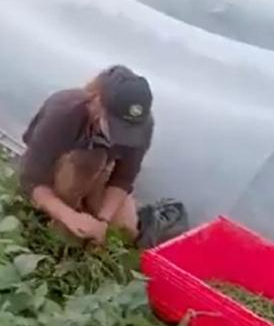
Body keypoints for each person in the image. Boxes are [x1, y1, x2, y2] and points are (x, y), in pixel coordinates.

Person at [19, 65, 185, 249]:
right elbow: (31, 181)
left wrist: (103, 220)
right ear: (98, 103)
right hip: (58, 166)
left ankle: (86, 202)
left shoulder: (142, 126)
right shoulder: (63, 113)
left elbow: (123, 178)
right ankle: (69, 204)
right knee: (67, 234)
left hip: (100, 165)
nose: (122, 136)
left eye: (128, 131)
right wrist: (68, 215)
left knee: (125, 232)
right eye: (116, 127)